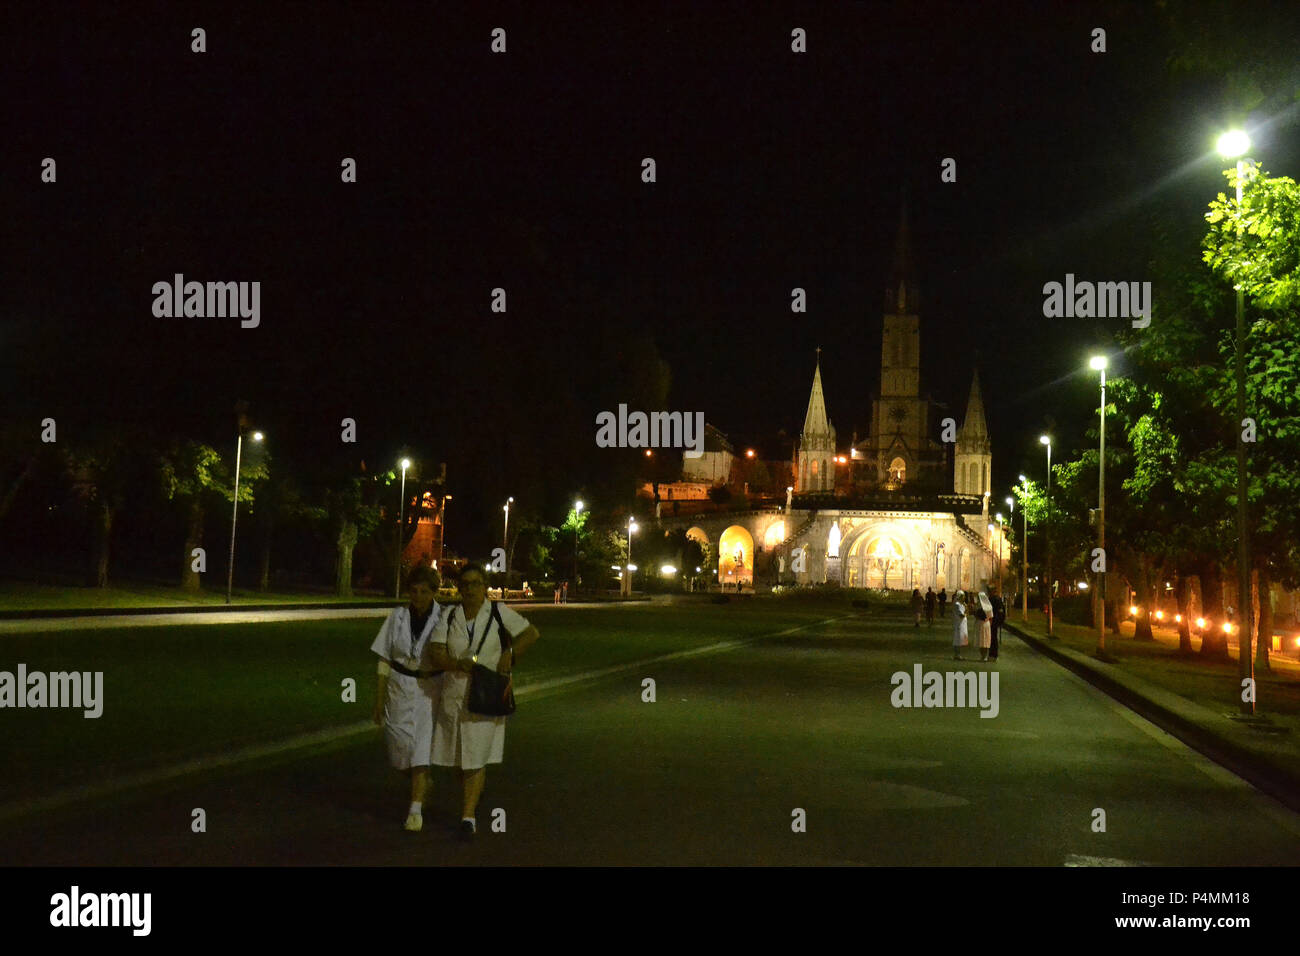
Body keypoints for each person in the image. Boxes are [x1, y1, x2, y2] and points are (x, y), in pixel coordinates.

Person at [429, 565, 541, 840]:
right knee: (458, 760)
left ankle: (468, 816)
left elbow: (531, 633)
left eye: (475, 583)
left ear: (484, 586)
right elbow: (436, 651)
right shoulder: (449, 615)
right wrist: (455, 663)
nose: (469, 589)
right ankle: (474, 793)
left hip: (487, 694)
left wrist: (511, 654)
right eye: (464, 584)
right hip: (455, 695)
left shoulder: (499, 612)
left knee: (475, 758)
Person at [370, 565, 444, 832]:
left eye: (424, 591)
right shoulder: (397, 617)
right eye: (414, 591)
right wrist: (378, 699)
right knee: (399, 751)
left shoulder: (443, 619)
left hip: (429, 690)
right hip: (398, 688)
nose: (418, 596)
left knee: (421, 751)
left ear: (434, 592)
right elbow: (383, 659)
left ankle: (415, 810)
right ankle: (422, 783)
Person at [989, 584, 1006, 661]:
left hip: (993, 621)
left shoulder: (993, 599)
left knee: (993, 638)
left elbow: (1000, 611)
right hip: (994, 621)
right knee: (993, 638)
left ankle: (993, 654)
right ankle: (993, 654)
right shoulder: (997, 599)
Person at [975, 589, 993, 662]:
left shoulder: (979, 606)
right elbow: (991, 617)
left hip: (981, 623)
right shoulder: (989, 606)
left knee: (983, 640)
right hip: (986, 624)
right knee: (984, 640)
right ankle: (984, 656)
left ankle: (983, 655)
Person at [951, 589, 968, 660]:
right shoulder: (957, 604)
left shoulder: (960, 604)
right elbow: (962, 615)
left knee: (959, 639)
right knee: (958, 639)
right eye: (963, 596)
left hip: (961, 623)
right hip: (959, 624)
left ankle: (958, 654)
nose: (964, 597)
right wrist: (966, 611)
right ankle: (957, 654)